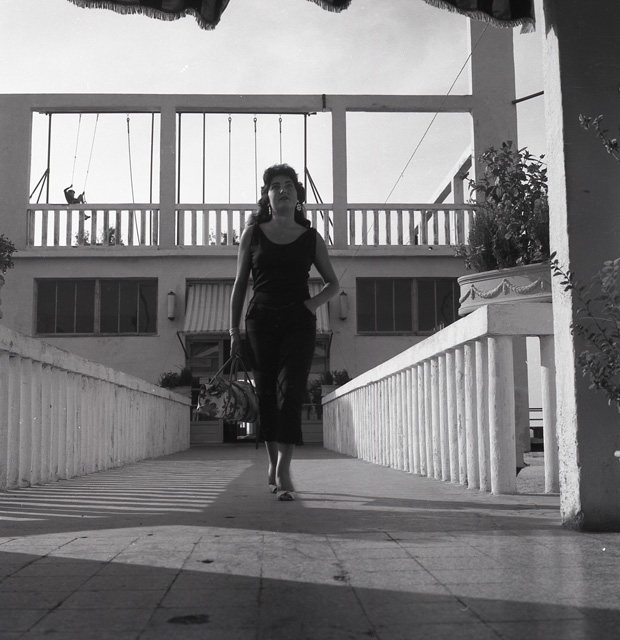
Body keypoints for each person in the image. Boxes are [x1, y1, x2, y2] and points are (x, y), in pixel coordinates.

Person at [230, 164, 339, 501]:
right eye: (275, 185)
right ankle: (272, 461)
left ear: (297, 196)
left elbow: (334, 284)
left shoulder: (311, 238)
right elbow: (239, 284)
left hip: (298, 322)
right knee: (266, 394)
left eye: (289, 184)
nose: (282, 190)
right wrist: (233, 331)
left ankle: (283, 469)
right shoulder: (252, 234)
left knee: (290, 392)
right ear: (267, 196)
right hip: (260, 320)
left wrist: (311, 305)